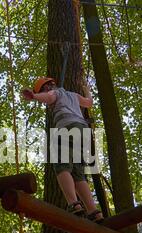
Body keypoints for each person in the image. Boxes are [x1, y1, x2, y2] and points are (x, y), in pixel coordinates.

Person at [21, 77, 104, 223]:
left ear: (46, 88)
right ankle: (94, 212)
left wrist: (34, 96)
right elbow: (89, 103)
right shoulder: (73, 95)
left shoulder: (55, 93)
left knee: (61, 165)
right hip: (83, 131)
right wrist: (87, 91)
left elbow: (50, 96)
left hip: (68, 127)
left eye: (42, 90)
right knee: (78, 174)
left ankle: (73, 203)